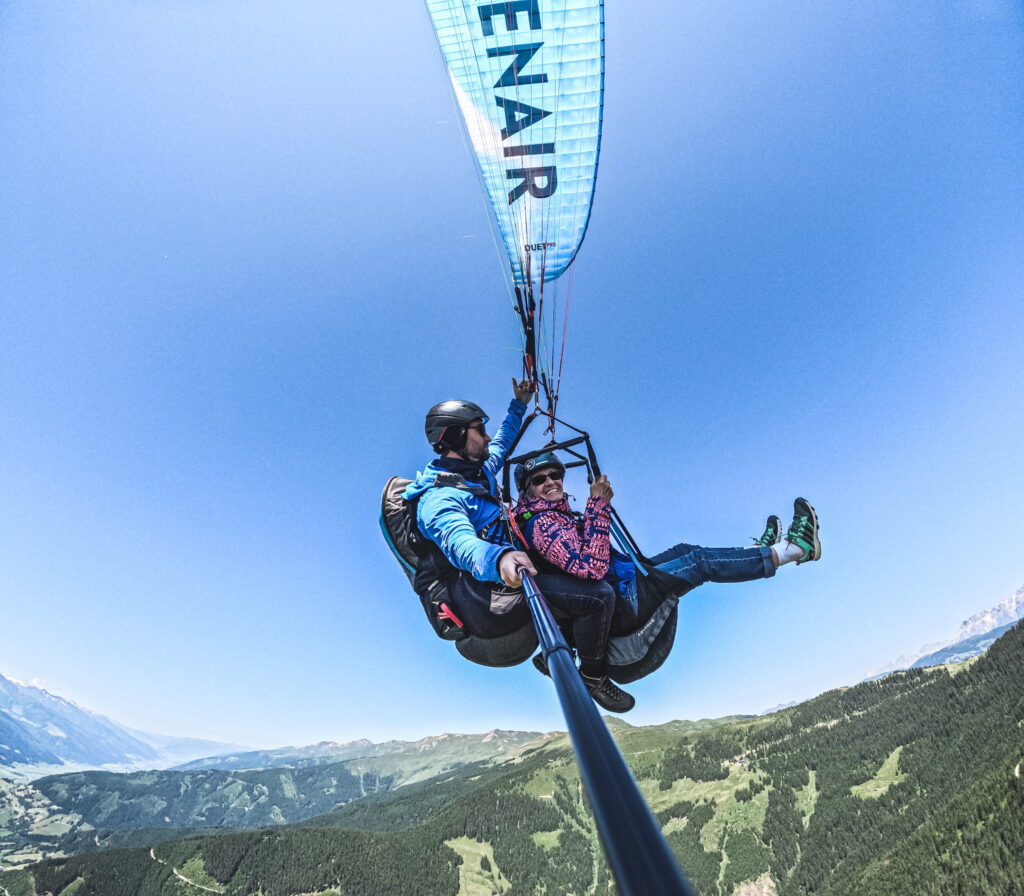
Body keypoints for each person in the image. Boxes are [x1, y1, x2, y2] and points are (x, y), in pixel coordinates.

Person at [512, 452, 821, 701]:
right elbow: (591, 567)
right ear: (527, 490)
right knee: (696, 563)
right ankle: (795, 550)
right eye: (540, 480)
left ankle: (755, 552)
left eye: (556, 475)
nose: (551, 482)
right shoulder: (542, 525)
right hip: (620, 599)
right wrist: (598, 505)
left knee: (685, 549)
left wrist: (595, 509)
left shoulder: (558, 516)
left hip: (624, 580)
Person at [405, 383, 635, 713]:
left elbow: (500, 444)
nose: (486, 437)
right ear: (455, 437)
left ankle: (560, 648)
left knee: (563, 560)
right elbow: (461, 544)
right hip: (487, 590)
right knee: (598, 595)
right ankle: (594, 677)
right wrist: (499, 559)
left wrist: (519, 404)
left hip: (508, 569)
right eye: (479, 430)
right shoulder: (440, 500)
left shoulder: (474, 473)